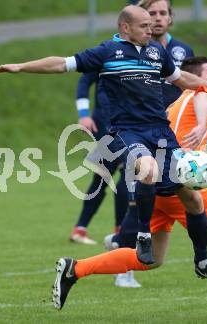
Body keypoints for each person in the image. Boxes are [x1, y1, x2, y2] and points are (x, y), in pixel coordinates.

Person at [0, 4, 207, 306]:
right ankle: (142, 236)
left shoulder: (156, 53)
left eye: (152, 24)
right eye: (144, 25)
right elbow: (61, 64)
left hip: (160, 130)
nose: (151, 29)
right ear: (125, 28)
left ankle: (202, 262)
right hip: (126, 131)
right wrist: (20, 66)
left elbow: (183, 79)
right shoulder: (107, 51)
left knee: (192, 197)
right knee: (146, 169)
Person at [50, 57, 207, 317]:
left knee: (152, 259)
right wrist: (202, 122)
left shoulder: (176, 103)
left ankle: (74, 269)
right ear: (197, 79)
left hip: (158, 186)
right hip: (178, 186)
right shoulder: (202, 94)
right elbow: (202, 95)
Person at [105, 0, 195, 287]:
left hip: (169, 133)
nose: (157, 18)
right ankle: (124, 258)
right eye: (151, 13)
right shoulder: (119, 49)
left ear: (170, 18)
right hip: (133, 130)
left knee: (173, 194)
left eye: (162, 13)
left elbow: (192, 84)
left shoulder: (179, 52)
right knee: (131, 189)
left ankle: (121, 242)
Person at [69, 72, 128, 245]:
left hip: (131, 124)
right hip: (107, 124)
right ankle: (120, 232)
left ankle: (80, 228)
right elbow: (85, 79)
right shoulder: (107, 52)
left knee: (103, 177)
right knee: (126, 174)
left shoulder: (152, 54)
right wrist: (84, 113)